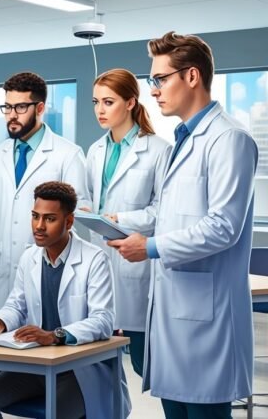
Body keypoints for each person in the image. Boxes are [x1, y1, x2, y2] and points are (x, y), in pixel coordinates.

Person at [108, 31, 258, 418]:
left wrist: (152, 248)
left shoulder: (229, 139)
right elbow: (170, 214)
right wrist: (118, 223)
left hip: (205, 316)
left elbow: (224, 226)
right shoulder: (180, 140)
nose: (153, 90)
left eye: (160, 79)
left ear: (192, 77)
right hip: (174, 311)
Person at [0, 181, 129, 419]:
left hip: (78, 370)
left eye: (49, 219)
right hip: (38, 365)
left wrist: (55, 335)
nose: (39, 226)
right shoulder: (30, 257)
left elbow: (103, 320)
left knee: (56, 412)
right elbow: (16, 305)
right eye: (35, 216)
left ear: (69, 221)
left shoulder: (94, 260)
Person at [0, 72, 90, 314]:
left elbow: (76, 215)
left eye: (20, 107)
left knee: (40, 340)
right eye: (7, 107)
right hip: (0, 273)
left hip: (46, 270)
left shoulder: (67, 154)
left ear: (39, 108)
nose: (12, 115)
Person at [84, 68, 171, 377]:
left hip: (137, 266)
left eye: (108, 102)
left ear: (131, 102)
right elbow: (92, 200)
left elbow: (163, 211)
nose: (100, 110)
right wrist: (86, 211)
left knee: (143, 363)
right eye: (96, 102)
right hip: (101, 262)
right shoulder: (94, 151)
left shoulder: (158, 150)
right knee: (98, 366)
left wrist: (119, 218)